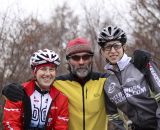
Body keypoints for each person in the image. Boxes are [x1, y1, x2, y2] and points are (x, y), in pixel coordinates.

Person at [2, 38, 108, 130]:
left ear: (91, 59)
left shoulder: (105, 81)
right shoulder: (57, 83)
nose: (81, 62)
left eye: (86, 57)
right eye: (76, 58)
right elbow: (36, 83)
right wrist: (7, 89)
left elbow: (123, 82)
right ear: (68, 61)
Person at [97, 25, 160, 130]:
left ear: (124, 47)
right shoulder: (107, 81)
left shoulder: (141, 64)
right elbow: (113, 115)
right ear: (103, 51)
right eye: (107, 47)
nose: (112, 51)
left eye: (116, 46)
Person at [3, 49, 69, 130]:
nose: (48, 74)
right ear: (35, 72)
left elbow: (61, 127)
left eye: (51, 69)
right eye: (43, 69)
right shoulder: (18, 92)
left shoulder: (62, 98)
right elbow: (11, 123)